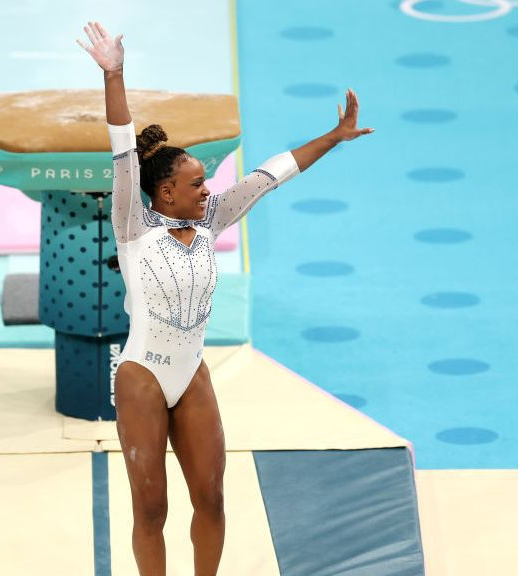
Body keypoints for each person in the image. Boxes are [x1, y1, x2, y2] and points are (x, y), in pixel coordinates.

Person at [78, 21, 374, 576]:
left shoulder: (213, 219)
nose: (208, 189)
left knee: (211, 499)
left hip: (190, 373)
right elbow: (122, 144)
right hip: (142, 375)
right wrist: (114, 73)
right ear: (165, 192)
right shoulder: (133, 223)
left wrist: (332, 138)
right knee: (151, 509)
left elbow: (271, 174)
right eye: (197, 183)